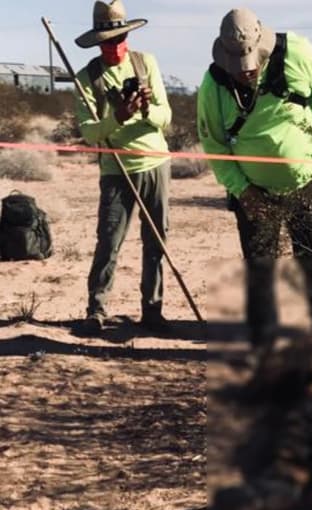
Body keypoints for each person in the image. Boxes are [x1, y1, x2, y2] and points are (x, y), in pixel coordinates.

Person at [197, 7, 312, 366]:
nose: (245, 69)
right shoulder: (213, 84)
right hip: (253, 192)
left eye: (250, 60)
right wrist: (242, 190)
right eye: (237, 62)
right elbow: (213, 144)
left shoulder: (300, 53)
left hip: (306, 182)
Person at [73, 0, 173, 334]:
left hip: (155, 163)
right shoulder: (87, 77)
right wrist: (118, 116)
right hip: (115, 169)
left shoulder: (147, 64)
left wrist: (144, 110)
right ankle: (96, 310)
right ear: (98, 41)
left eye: (120, 38)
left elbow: (166, 117)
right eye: (108, 40)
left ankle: (153, 311)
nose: (115, 46)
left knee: (156, 240)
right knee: (109, 241)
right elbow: (89, 133)